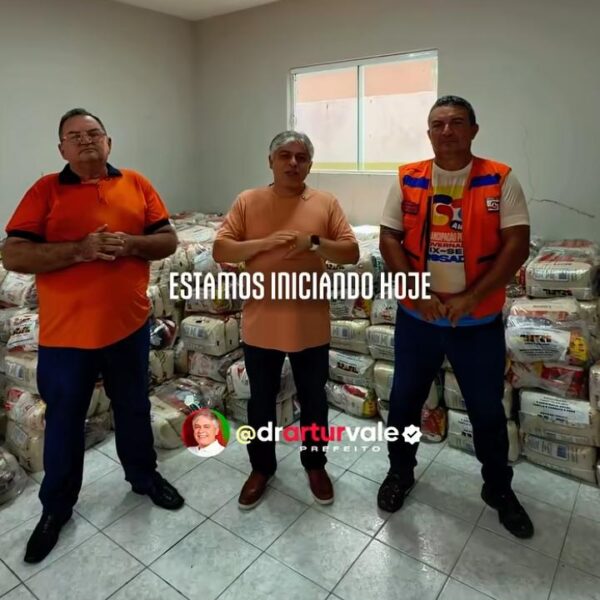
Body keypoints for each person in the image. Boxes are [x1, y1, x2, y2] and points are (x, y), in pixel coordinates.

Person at [2, 108, 185, 564]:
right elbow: (13, 254)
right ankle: (56, 508)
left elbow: (167, 240)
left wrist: (132, 243)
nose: (86, 141)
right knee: (65, 421)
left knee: (134, 407)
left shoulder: (136, 183)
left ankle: (144, 477)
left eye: (94, 133)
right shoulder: (45, 191)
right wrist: (80, 250)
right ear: (61, 148)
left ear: (109, 142)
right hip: (67, 338)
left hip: (128, 328)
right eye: (75, 136)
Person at [378, 96, 534, 539]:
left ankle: (498, 489)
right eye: (438, 124)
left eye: (457, 122)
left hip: (477, 323)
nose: (447, 130)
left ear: (473, 130)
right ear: (428, 132)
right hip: (418, 320)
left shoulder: (499, 178)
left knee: (486, 411)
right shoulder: (407, 178)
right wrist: (417, 291)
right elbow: (389, 238)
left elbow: (517, 244)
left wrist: (472, 297)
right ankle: (400, 473)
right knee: (404, 403)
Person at [213, 131, 359, 510]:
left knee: (314, 401)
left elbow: (350, 252)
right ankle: (261, 468)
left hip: (310, 324)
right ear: (271, 161)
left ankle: (315, 464)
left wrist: (314, 242)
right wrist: (264, 243)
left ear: (309, 164)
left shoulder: (325, 202)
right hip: (262, 323)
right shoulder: (248, 201)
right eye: (284, 155)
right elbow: (221, 248)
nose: (293, 163)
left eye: (301, 157)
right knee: (260, 402)